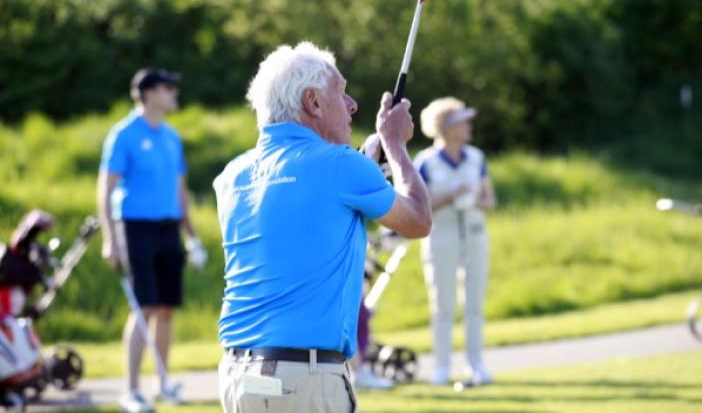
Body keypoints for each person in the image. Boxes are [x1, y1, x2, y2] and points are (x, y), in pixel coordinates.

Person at [213, 42, 431, 412]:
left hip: (238, 377)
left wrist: (365, 162)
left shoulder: (232, 175)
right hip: (304, 377)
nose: (352, 105)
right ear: (313, 102)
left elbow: (313, 204)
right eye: (340, 92)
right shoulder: (340, 166)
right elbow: (418, 219)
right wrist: (395, 145)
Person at [97, 68, 207, 413]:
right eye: (167, 87)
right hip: (135, 228)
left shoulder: (172, 136)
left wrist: (192, 236)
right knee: (143, 308)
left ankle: (163, 383)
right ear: (147, 93)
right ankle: (131, 390)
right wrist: (110, 238)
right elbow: (105, 188)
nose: (174, 92)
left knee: (165, 310)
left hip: (168, 228)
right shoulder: (124, 134)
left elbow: (180, 190)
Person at [413, 96, 497, 386]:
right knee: (443, 304)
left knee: (474, 304)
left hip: (475, 233)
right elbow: (419, 206)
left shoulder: (476, 157)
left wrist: (471, 199)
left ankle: (476, 365)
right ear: (446, 127)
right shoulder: (426, 162)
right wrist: (450, 195)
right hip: (441, 235)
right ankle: (442, 367)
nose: (468, 127)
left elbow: (490, 201)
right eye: (462, 122)